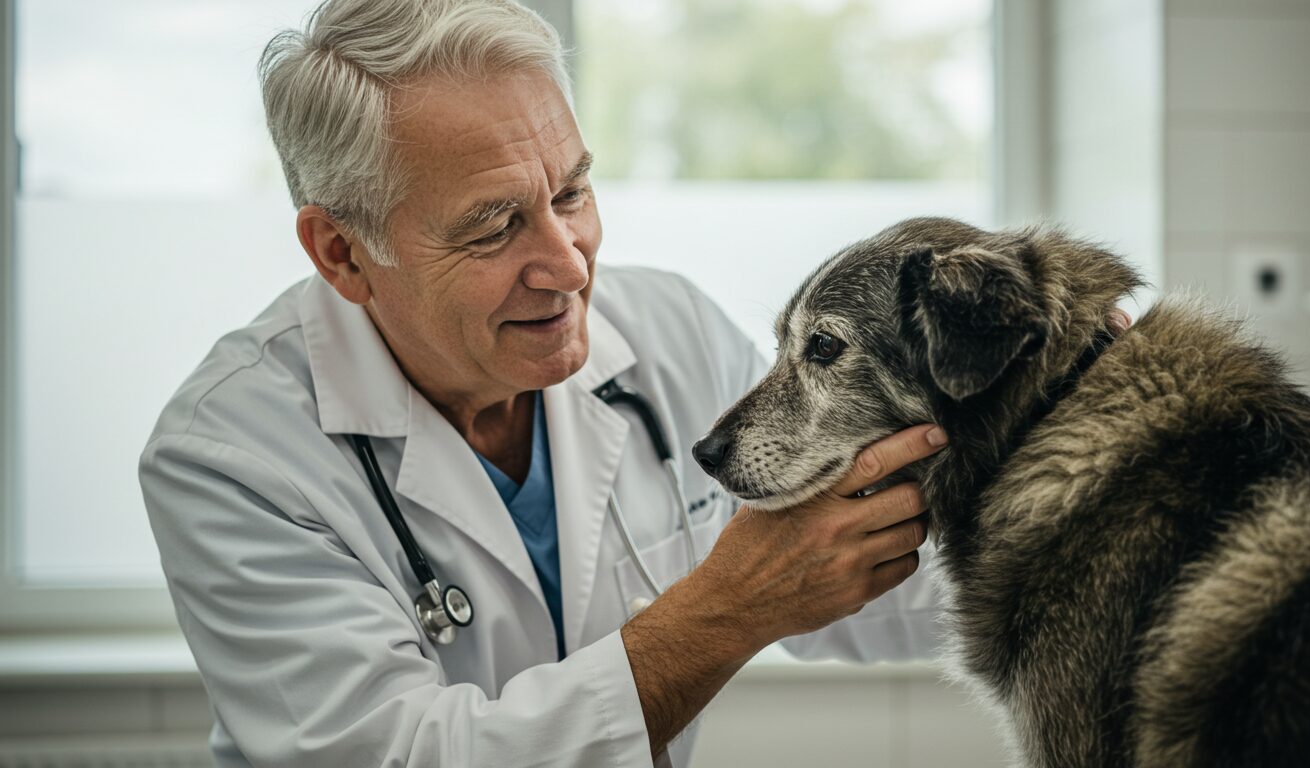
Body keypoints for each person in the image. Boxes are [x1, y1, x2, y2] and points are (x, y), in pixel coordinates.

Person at [138, 1, 994, 765]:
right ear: (343, 252)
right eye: (494, 226)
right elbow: (395, 754)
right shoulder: (233, 455)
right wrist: (725, 610)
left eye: (573, 191)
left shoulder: (671, 334)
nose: (567, 265)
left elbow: (880, 578)